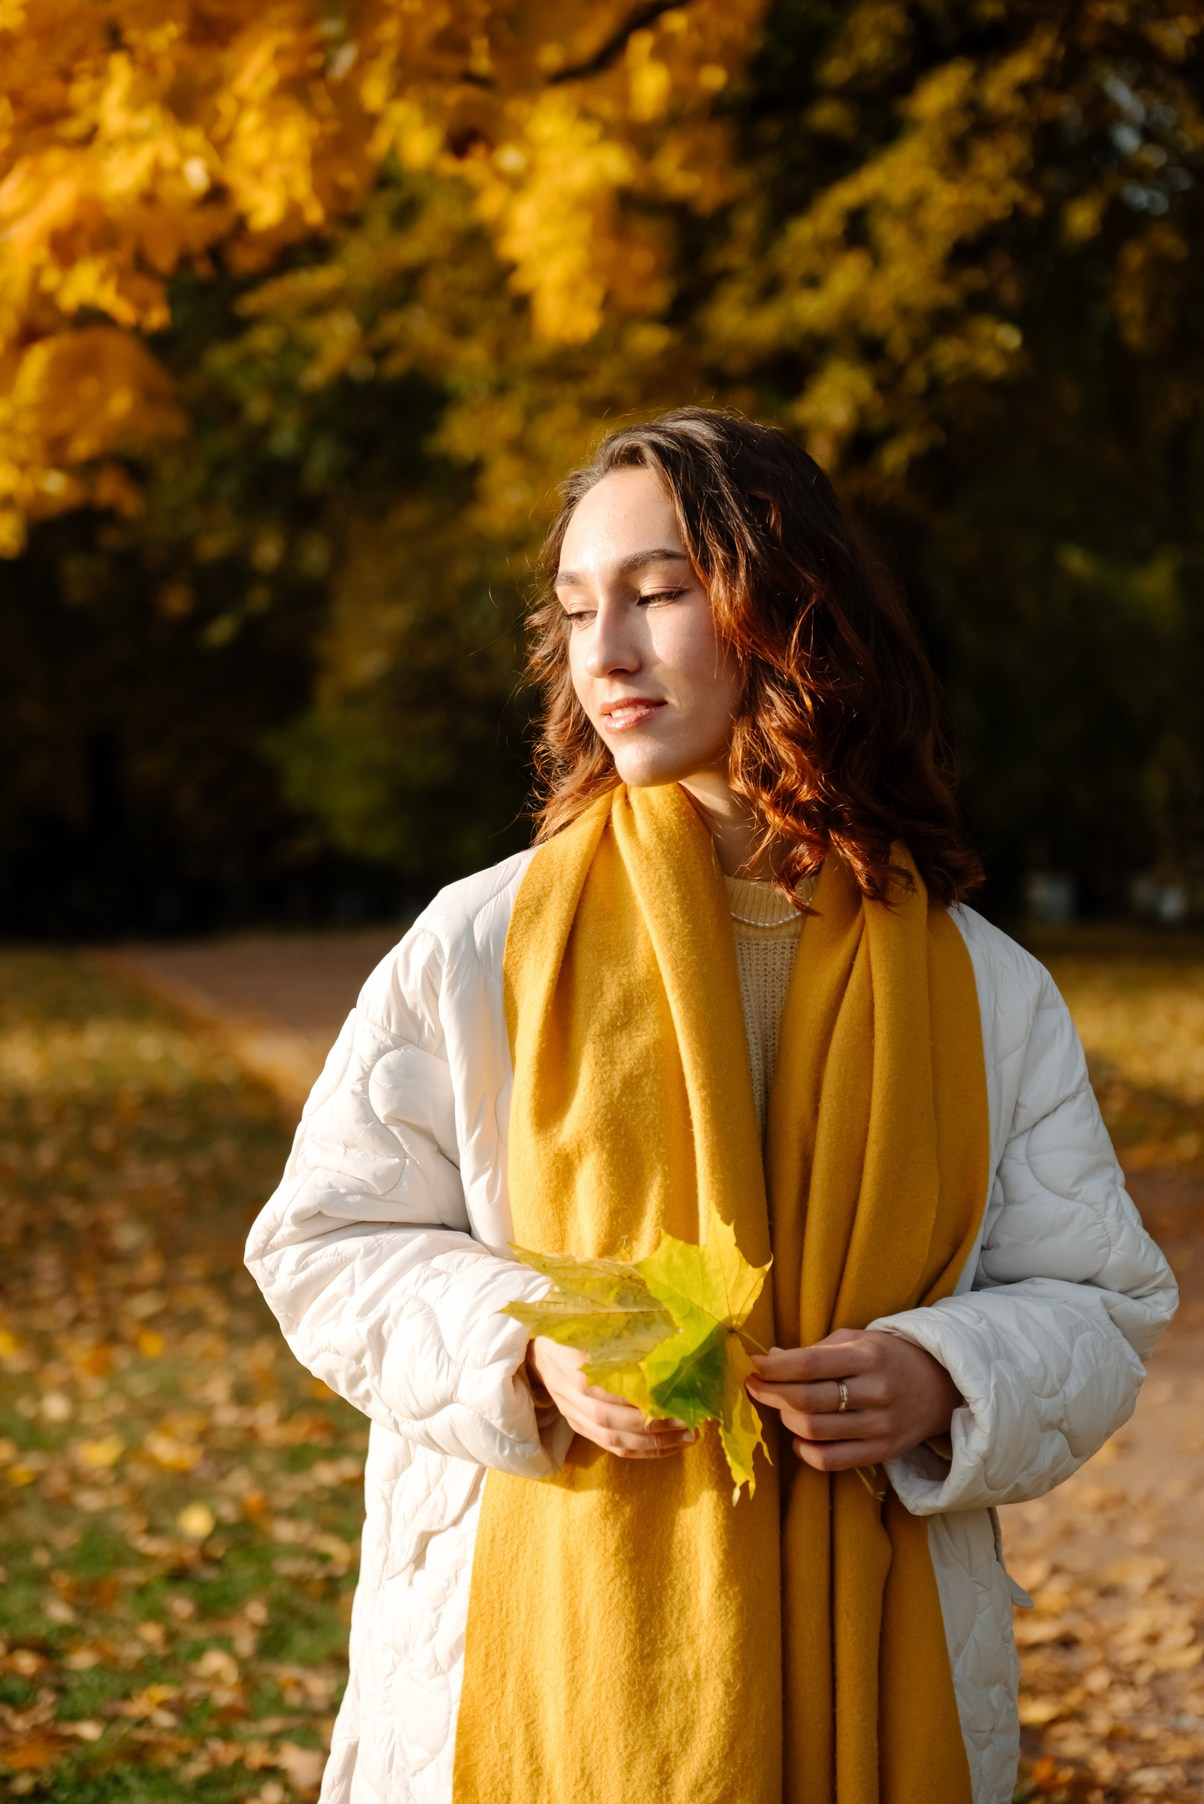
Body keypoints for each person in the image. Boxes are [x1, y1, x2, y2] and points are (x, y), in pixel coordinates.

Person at [244, 407, 1177, 1804]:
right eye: (575, 610)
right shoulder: (480, 943)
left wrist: (944, 1374)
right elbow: (322, 1244)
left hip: (870, 1659)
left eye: (659, 593)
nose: (604, 652)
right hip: (540, 1648)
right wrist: (535, 1359)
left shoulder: (984, 987)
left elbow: (1097, 1300)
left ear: (783, 605)